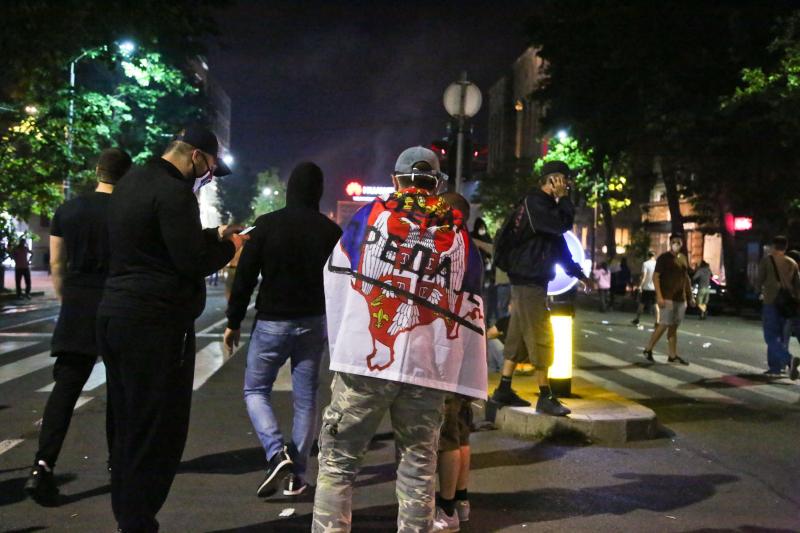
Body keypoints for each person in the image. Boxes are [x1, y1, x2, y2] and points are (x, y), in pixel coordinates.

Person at [313, 146, 487, 532]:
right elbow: (469, 302)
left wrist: (344, 340)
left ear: (396, 180)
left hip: (366, 363)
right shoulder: (457, 232)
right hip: (426, 368)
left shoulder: (371, 218)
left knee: (339, 463)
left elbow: (337, 276)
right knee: (418, 468)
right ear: (438, 185)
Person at [97, 126, 246, 533]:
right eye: (211, 168)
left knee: (125, 420)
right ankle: (138, 520)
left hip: (115, 314)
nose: (210, 176)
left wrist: (207, 237)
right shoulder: (176, 192)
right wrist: (228, 247)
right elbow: (190, 261)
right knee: (159, 428)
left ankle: (127, 511)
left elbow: (153, 243)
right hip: (156, 323)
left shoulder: (131, 183)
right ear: (196, 156)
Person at [223, 162, 341, 499]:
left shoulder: (267, 225)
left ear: (289, 189)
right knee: (306, 399)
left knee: (255, 390)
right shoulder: (330, 232)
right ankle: (297, 475)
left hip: (273, 321)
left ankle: (277, 454)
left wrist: (233, 321)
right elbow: (341, 285)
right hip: (314, 321)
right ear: (318, 192)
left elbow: (245, 275)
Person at [24, 148, 132, 504]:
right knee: (120, 389)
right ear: (126, 175)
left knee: (65, 388)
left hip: (78, 304)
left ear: (97, 171)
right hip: (116, 302)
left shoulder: (67, 210)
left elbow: (57, 262)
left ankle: (43, 464)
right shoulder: (127, 212)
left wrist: (66, 299)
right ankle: (118, 465)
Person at [489, 160, 591, 415]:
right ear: (554, 180)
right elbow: (561, 227)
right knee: (540, 335)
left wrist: (576, 272)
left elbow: (557, 245)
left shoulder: (544, 208)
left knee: (519, 334)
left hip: (530, 278)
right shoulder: (535, 203)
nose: (567, 185)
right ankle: (545, 396)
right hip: (528, 278)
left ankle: (503, 388)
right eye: (565, 180)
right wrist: (564, 199)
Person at [434, 192, 475, 532]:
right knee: (461, 429)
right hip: (466, 348)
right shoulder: (471, 247)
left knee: (447, 433)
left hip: (446, 347)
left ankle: (445, 509)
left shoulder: (449, 247)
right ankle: (461, 500)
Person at [642, 234, 695, 364]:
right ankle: (648, 348)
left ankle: (672, 355)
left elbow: (686, 278)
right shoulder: (663, 258)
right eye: (674, 242)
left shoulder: (683, 258)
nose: (676, 244)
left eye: (679, 242)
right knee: (664, 323)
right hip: (667, 297)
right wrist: (659, 296)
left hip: (680, 298)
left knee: (674, 326)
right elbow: (656, 277)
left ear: (682, 244)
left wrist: (690, 296)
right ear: (670, 243)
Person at [757, 236, 800, 377]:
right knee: (782, 336)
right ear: (785, 247)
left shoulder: (767, 260)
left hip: (771, 302)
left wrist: (759, 291)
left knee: (770, 336)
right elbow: (797, 286)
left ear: (773, 246)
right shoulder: (792, 263)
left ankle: (787, 360)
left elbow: (758, 281)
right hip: (788, 304)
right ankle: (778, 367)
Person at [472, 217, 495, 325]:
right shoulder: (473, 236)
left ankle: (485, 319)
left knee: (485, 295)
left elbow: (491, 250)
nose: (481, 229)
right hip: (475, 269)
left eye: (482, 227)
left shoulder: (486, 238)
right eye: (480, 227)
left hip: (487, 270)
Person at [632, 251, 659, 326]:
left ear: (648, 256)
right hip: (655, 288)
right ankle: (657, 321)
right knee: (655, 305)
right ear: (654, 256)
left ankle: (637, 319)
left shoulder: (645, 264)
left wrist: (640, 286)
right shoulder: (657, 264)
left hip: (647, 287)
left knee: (642, 304)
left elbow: (643, 277)